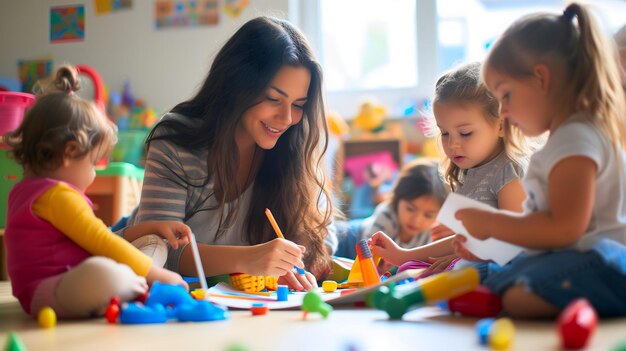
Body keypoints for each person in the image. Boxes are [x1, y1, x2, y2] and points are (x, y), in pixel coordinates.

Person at [119, 16, 336, 292]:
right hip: (137, 252)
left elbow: (313, 238)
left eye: (299, 104)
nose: (286, 118)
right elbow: (159, 251)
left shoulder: (290, 148)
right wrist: (249, 259)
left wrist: (283, 270)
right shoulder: (177, 140)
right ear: (236, 86)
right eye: (273, 99)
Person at [455, 3, 626, 318]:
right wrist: (491, 238)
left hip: (606, 264)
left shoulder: (576, 139)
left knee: (519, 294)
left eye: (505, 95)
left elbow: (563, 229)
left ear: (541, 78)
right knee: (491, 272)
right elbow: (548, 233)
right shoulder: (571, 137)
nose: (503, 112)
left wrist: (492, 224)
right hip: (579, 257)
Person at [3, 65, 189, 319]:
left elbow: (101, 238)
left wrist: (151, 228)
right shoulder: (56, 195)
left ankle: (127, 285)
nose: (93, 175)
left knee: (149, 246)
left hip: (54, 288)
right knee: (103, 272)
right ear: (69, 153)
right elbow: (103, 241)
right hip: (57, 289)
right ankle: (140, 287)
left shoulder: (24, 191)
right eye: (93, 163)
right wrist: (157, 275)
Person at [370, 61, 531, 275]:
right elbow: (462, 239)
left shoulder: (508, 170)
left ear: (501, 125)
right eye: (444, 133)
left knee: (453, 270)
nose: (452, 144)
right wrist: (403, 255)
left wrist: (458, 257)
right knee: (409, 268)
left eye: (465, 133)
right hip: (472, 260)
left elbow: (512, 240)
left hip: (505, 266)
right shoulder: (472, 170)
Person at [335, 159, 448, 260]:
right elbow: (368, 257)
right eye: (410, 209)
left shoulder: (432, 232)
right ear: (397, 199)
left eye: (428, 215)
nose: (417, 220)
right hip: (350, 239)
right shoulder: (386, 215)